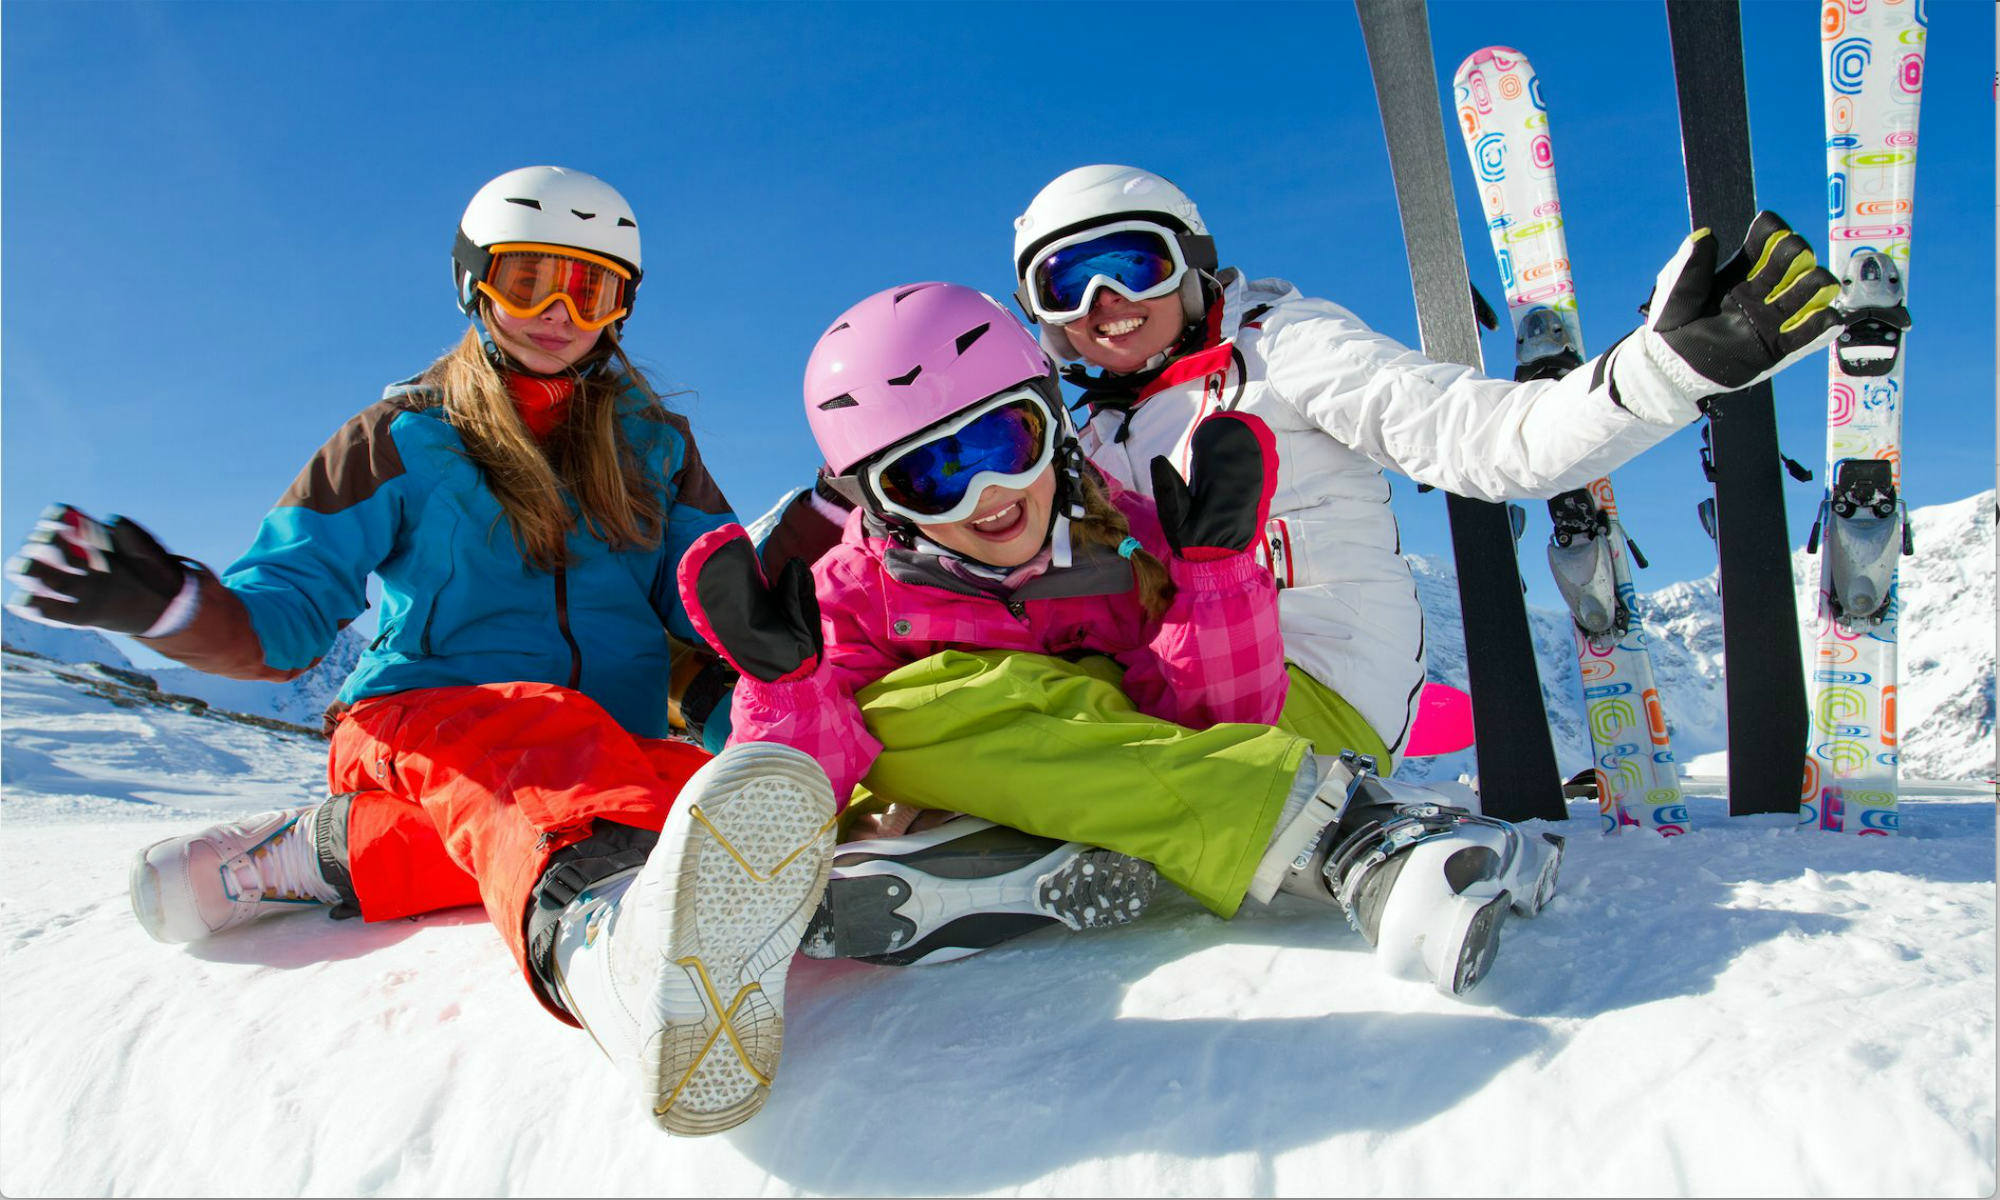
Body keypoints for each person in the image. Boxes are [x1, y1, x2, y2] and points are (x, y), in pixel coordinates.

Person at [4, 166, 837, 1137]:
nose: (559, 313)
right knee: (547, 737)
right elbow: (286, 617)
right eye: (530, 281)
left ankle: (323, 854)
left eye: (592, 288)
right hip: (423, 718)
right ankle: (603, 949)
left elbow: (701, 583)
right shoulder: (399, 439)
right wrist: (175, 607)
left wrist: (777, 590)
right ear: (475, 283)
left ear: (621, 306)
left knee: (683, 789)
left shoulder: (654, 446)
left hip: (592, 750)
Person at [677, 281, 1566, 997]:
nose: (984, 491)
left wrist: (1215, 581)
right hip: (1015, 773)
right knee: (896, 714)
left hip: (1150, 759)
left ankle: (1340, 836)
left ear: (1053, 427)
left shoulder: (1130, 538)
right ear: (880, 508)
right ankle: (1292, 836)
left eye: (1002, 440)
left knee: (951, 702)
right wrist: (787, 692)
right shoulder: (856, 591)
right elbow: (799, 796)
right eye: (927, 476)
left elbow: (1217, 723)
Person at [1006, 163, 1843, 767]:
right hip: (1189, 681)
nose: (1103, 305)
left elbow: (1481, 437)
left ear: (1189, 263)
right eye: (1065, 284)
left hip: (1306, 683)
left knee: (1030, 723)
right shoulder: (1092, 428)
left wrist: (1657, 376)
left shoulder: (1284, 347)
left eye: (1131, 265)